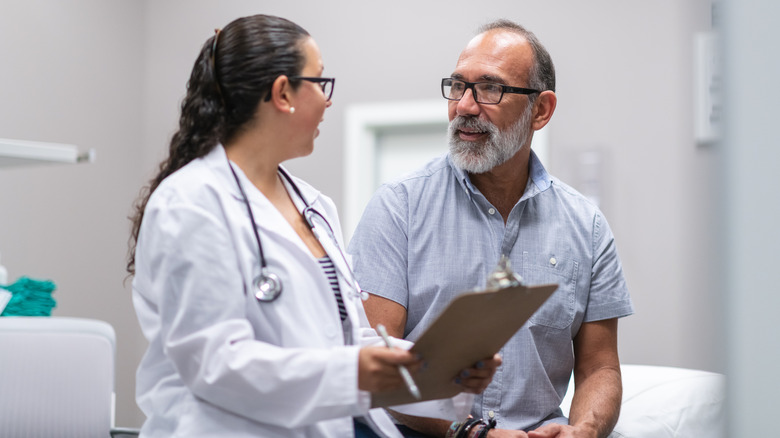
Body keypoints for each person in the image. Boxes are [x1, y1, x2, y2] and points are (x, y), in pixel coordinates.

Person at [126, 14, 500, 438]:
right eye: (320, 83)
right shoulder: (190, 203)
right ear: (283, 93)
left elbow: (346, 339)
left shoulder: (314, 206)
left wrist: (440, 367)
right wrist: (352, 373)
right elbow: (215, 364)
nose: (328, 100)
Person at [348, 19, 634, 438]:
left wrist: (585, 430)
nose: (464, 105)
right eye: (457, 86)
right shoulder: (398, 208)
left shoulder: (585, 226)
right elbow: (374, 367)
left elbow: (600, 366)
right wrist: (471, 432)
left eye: (489, 88)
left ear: (541, 110)